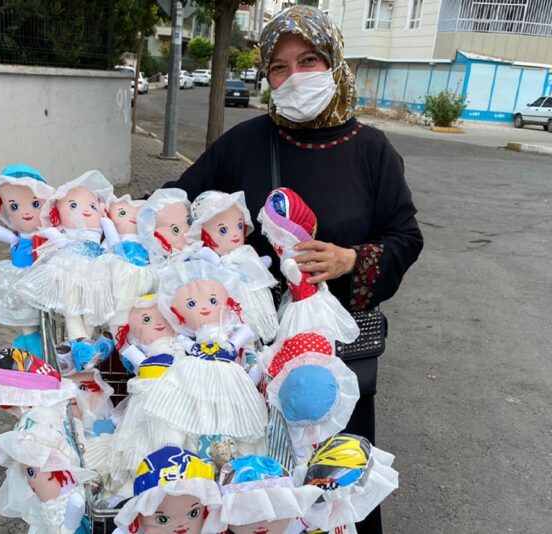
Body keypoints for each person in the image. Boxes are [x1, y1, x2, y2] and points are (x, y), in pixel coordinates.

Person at [161, 7, 423, 533]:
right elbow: (177, 203)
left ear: (334, 64)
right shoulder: (245, 144)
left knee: (333, 482)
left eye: (308, 61)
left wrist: (351, 259)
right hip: (250, 352)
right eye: (279, 67)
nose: (294, 77)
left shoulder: (371, 150)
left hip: (333, 354)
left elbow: (405, 237)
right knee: (258, 481)